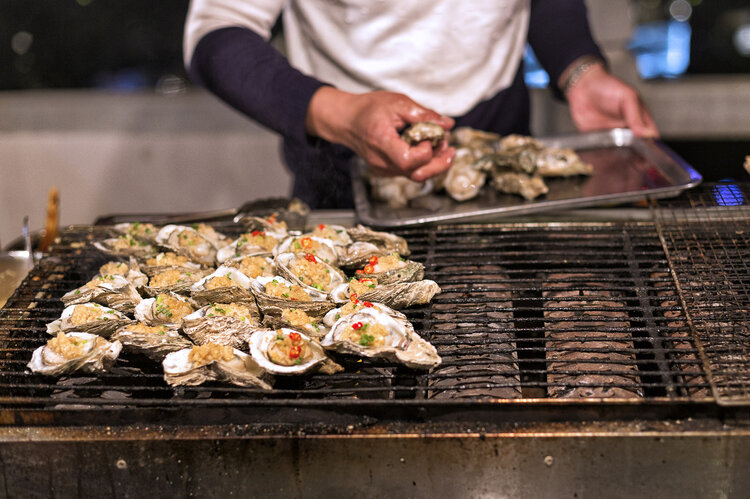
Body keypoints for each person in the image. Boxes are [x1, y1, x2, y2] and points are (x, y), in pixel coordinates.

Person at [184, 0, 659, 209]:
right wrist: (343, 115)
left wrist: (579, 71)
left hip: (498, 145)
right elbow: (216, 35)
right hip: (343, 154)